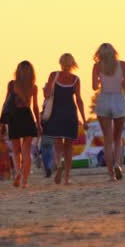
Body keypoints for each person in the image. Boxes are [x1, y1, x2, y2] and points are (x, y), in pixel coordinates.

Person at [42, 54, 87, 185]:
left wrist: (45, 89)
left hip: (56, 114)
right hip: (70, 114)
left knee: (57, 143)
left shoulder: (53, 75)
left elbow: (47, 94)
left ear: (60, 63)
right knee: (68, 146)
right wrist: (84, 119)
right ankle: (67, 177)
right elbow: (78, 99)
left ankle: (58, 163)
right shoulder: (76, 79)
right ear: (72, 64)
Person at [91, 43, 125, 181]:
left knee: (107, 140)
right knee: (117, 138)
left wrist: (100, 79)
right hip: (118, 99)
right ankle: (118, 165)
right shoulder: (123, 65)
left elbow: (94, 87)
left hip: (104, 99)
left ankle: (111, 174)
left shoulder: (97, 66)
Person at [2, 61, 41, 188]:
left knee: (15, 151)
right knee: (26, 151)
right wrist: (38, 123)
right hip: (27, 117)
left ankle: (18, 172)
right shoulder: (33, 87)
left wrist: (2, 120)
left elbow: (6, 103)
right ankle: (25, 181)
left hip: (14, 117)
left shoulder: (12, 85)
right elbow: (35, 107)